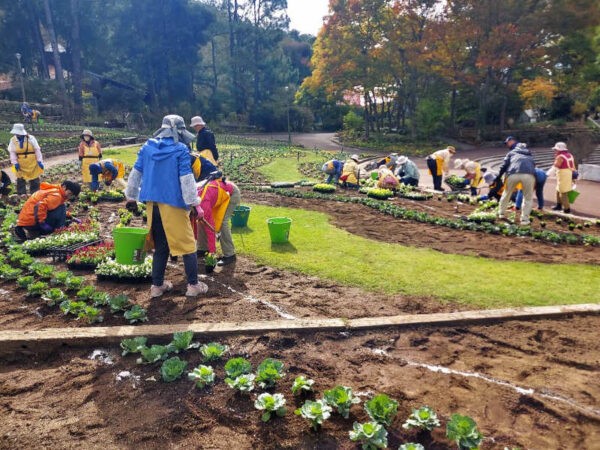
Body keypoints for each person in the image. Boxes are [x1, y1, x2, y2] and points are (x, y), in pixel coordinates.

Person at [125, 114, 208, 298]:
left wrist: (131, 197)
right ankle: (193, 285)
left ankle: (157, 286)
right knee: (187, 245)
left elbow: (135, 174)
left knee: (161, 246)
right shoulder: (180, 150)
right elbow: (186, 180)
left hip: (152, 204)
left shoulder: (147, 147)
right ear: (178, 131)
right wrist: (195, 204)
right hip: (174, 204)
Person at [195, 174, 241, 266]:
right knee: (200, 221)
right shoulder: (191, 198)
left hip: (231, 194)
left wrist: (212, 254)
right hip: (216, 194)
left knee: (222, 222)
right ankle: (203, 248)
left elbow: (210, 228)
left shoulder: (203, 202)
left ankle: (230, 255)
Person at [14, 180, 80, 242]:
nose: (69, 197)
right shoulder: (57, 196)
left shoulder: (54, 190)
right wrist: (42, 223)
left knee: (61, 208)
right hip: (33, 223)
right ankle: (59, 231)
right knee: (62, 207)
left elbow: (52, 208)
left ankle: (32, 231)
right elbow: (40, 206)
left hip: (27, 221)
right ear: (64, 187)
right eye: (69, 193)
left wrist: (70, 217)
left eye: (71, 195)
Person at [497, 141, 536, 225]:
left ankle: (501, 213)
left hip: (513, 173)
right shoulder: (529, 155)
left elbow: (504, 165)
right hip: (528, 174)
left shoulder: (511, 153)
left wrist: (498, 176)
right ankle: (524, 220)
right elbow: (534, 166)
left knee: (506, 193)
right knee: (528, 198)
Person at [8, 123, 44, 195]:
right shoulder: (12, 140)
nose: (17, 134)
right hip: (20, 162)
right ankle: (21, 195)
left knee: (34, 178)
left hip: (32, 162)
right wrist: (15, 163)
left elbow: (37, 150)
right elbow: (12, 152)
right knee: (20, 178)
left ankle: (35, 194)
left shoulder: (31, 138)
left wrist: (40, 161)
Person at [548, 142, 576, 213]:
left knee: (563, 192)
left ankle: (566, 209)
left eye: (556, 149)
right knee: (558, 190)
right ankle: (558, 205)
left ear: (559, 149)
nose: (555, 151)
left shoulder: (560, 157)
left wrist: (547, 174)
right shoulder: (569, 155)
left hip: (563, 175)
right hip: (569, 173)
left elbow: (555, 166)